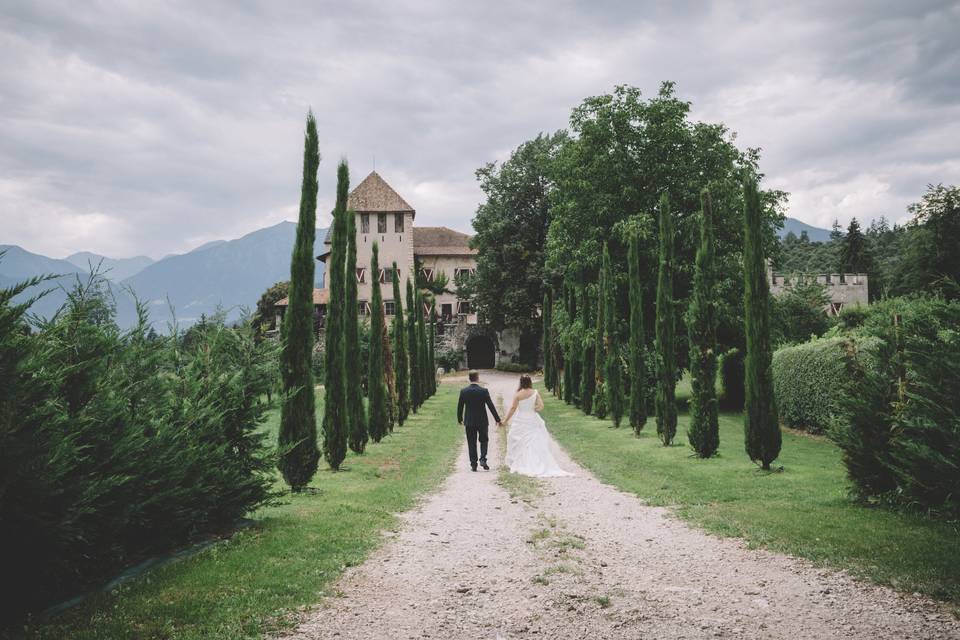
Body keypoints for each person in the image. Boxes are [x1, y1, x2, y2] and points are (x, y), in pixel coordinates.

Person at [502, 375, 572, 477]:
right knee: (534, 441)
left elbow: (513, 408)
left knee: (519, 440)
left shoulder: (518, 395)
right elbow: (541, 406)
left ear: (521, 382)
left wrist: (505, 420)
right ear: (530, 382)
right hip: (532, 418)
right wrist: (533, 408)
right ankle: (536, 461)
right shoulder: (535, 393)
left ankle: (521, 461)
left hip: (521, 419)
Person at [457, 370, 501, 471]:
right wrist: (497, 419)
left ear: (469, 378)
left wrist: (460, 419)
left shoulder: (464, 391)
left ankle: (473, 464)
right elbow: (491, 406)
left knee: (471, 442)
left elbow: (460, 407)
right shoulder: (483, 391)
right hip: (482, 421)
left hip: (469, 421)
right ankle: (483, 459)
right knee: (484, 440)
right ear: (478, 378)